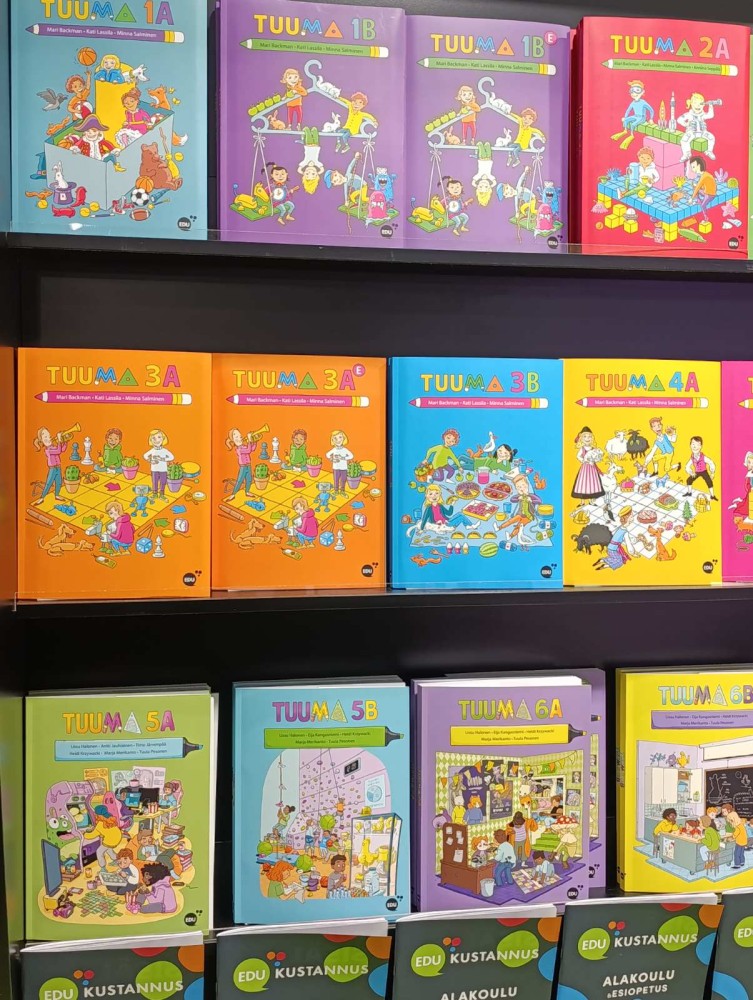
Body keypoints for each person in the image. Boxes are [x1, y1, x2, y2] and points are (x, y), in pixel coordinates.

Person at [497, 474, 542, 545]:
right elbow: (512, 499)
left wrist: (531, 500)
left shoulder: (531, 496)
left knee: (519, 526)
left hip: (528, 517)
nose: (521, 489)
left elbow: (539, 501)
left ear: (527, 486)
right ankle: (499, 528)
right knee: (510, 521)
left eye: (523, 486)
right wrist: (518, 498)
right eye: (518, 487)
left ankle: (510, 536)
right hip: (520, 514)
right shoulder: (519, 496)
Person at [612, 80, 654, 149]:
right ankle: (625, 131)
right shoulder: (633, 103)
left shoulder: (643, 102)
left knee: (633, 124)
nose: (634, 93)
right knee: (626, 120)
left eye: (637, 90)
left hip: (642, 117)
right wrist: (625, 117)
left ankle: (631, 135)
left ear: (642, 92)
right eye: (632, 90)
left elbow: (651, 110)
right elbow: (628, 110)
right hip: (635, 116)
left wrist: (651, 119)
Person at [32, 427, 67, 504]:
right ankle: (42, 498)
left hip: (58, 468)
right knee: (48, 483)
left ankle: (57, 495)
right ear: (41, 441)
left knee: (59, 482)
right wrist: (59, 440)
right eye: (45, 437)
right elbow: (58, 451)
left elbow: (62, 450)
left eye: (49, 436)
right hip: (52, 469)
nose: (49, 438)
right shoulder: (48, 450)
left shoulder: (53, 447)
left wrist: (65, 441)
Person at [678, 92, 716, 162]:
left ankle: (709, 151)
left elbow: (711, 115)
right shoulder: (689, 114)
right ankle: (687, 153)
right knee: (684, 140)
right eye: (695, 103)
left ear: (703, 105)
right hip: (691, 132)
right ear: (691, 104)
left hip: (702, 132)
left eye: (700, 104)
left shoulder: (703, 115)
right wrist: (686, 124)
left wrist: (711, 106)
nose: (698, 106)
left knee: (711, 137)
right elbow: (679, 119)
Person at [594, 505, 634, 571]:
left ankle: (602, 560)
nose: (633, 518)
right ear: (628, 518)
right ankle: (605, 565)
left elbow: (617, 538)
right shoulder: (625, 532)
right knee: (620, 562)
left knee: (614, 558)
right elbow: (630, 549)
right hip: (614, 550)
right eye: (632, 516)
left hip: (610, 548)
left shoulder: (620, 528)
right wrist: (633, 553)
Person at [572, 427, 605, 502]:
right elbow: (578, 456)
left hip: (592, 468)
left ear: (592, 438)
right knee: (583, 483)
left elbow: (596, 457)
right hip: (585, 468)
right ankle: (582, 501)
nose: (587, 438)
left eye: (589, 436)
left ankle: (591, 501)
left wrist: (595, 459)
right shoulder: (582, 448)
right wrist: (584, 460)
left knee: (592, 483)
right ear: (581, 438)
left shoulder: (593, 449)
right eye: (585, 436)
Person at [225, 428, 257, 499]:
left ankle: (247, 492)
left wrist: (254, 441)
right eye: (236, 437)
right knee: (239, 481)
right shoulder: (239, 449)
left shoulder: (244, 446)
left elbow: (252, 449)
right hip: (243, 467)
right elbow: (248, 450)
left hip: (248, 466)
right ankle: (233, 494)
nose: (240, 438)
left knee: (249, 479)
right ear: (233, 441)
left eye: (240, 436)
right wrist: (249, 440)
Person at [144, 428, 174, 498]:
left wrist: (163, 459)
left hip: (163, 470)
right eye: (153, 438)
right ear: (151, 440)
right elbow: (145, 455)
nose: (156, 440)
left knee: (163, 482)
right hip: (154, 469)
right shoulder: (152, 450)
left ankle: (162, 494)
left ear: (163, 439)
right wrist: (150, 460)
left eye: (159, 437)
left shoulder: (164, 450)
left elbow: (171, 457)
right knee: (155, 482)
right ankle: (155, 494)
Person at [684, 435, 717, 500]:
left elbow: (711, 463)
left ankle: (712, 496)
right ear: (690, 445)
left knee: (709, 482)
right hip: (697, 472)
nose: (695, 446)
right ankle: (689, 492)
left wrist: (712, 472)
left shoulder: (703, 457)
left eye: (697, 444)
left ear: (700, 446)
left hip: (704, 471)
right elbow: (687, 466)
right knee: (689, 480)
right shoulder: (692, 458)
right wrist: (691, 473)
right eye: (693, 444)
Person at [687, 155, 717, 220]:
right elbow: (705, 186)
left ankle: (706, 218)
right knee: (695, 186)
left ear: (699, 166)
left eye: (693, 167)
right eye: (691, 167)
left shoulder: (704, 176)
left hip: (710, 195)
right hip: (706, 192)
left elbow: (698, 187)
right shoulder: (704, 174)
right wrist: (697, 187)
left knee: (703, 205)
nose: (692, 169)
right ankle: (698, 200)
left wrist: (691, 198)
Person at [326, 430, 354, 496]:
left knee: (343, 480)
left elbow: (351, 456)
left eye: (340, 437)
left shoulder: (344, 450)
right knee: (336, 480)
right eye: (335, 438)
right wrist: (332, 458)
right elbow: (327, 454)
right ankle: (336, 491)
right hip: (336, 468)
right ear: (332, 440)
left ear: (344, 438)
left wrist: (343, 458)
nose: (338, 440)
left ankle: (342, 491)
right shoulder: (334, 449)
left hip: (344, 468)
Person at [728, 451, 753, 520]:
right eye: (749, 462)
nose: (750, 465)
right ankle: (736, 505)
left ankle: (737, 503)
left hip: (750, 490)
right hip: (750, 490)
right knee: (746, 506)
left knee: (746, 502)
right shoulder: (749, 474)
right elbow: (747, 485)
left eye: (751, 463)